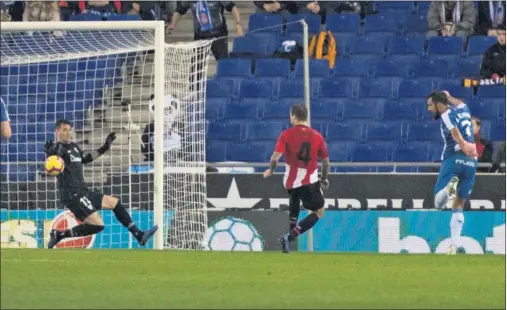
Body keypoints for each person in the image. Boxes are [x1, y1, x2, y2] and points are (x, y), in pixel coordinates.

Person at [45, 119, 158, 249]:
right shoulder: (56, 150)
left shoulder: (73, 146)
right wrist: (51, 154)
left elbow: (86, 158)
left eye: (70, 130)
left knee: (114, 202)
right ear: (57, 131)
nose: (68, 133)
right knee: (98, 225)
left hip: (83, 191)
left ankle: (139, 235)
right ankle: (60, 235)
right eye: (64, 130)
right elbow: (53, 164)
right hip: (72, 195)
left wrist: (104, 147)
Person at [263, 104, 330, 254]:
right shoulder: (317, 136)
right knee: (319, 212)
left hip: (290, 181)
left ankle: (291, 232)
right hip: (308, 181)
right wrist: (324, 178)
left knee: (295, 196)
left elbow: (276, 157)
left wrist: (271, 170)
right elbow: (325, 161)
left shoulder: (286, 134)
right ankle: (290, 237)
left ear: (293, 116)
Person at [427, 91, 477, 255]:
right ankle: (454, 245)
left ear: (438, 105)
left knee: (438, 203)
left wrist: (463, 146)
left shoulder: (446, 114)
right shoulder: (463, 108)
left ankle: (450, 186)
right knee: (459, 204)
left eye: (430, 105)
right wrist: (448, 96)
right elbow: (458, 102)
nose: (429, 109)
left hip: (454, 158)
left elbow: (455, 133)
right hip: (471, 162)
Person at [167, 1, 243, 61]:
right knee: (196, 68)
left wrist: (238, 24)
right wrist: (173, 24)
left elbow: (233, 8)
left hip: (219, 35)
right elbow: (180, 10)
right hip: (200, 36)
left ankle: (225, 79)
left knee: (223, 63)